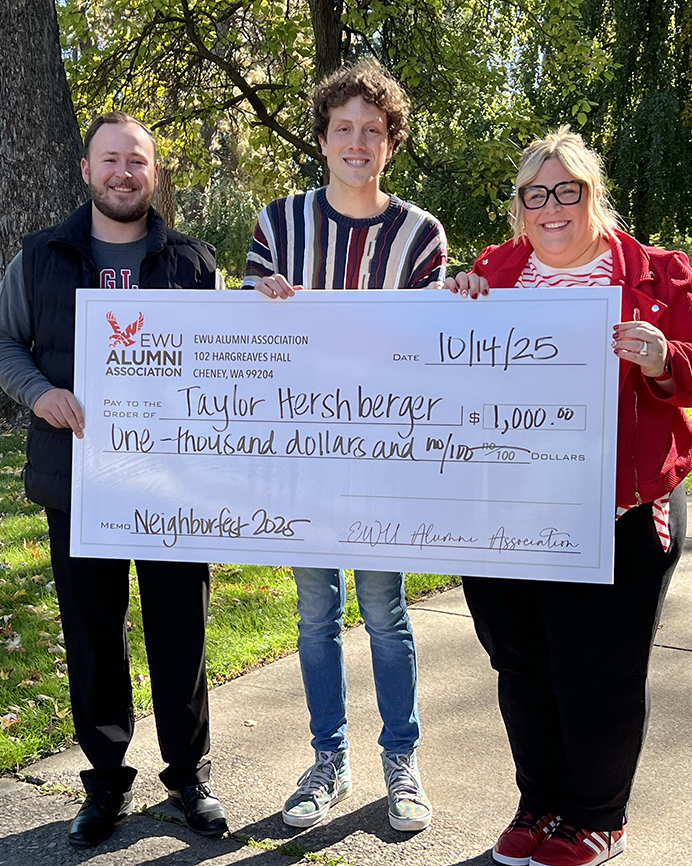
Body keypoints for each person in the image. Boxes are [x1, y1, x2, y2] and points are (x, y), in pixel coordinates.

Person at [446, 126, 692, 866]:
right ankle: (539, 803)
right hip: (509, 515)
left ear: (590, 195)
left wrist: (665, 354)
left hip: (619, 511)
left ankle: (597, 815)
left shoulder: (655, 272)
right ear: (519, 205)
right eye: (535, 193)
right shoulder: (494, 269)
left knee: (598, 670)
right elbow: (453, 371)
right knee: (521, 662)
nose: (551, 207)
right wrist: (458, 305)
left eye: (566, 191)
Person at [0, 111, 229, 847]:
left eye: (138, 161)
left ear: (155, 174)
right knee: (93, 633)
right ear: (87, 171)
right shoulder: (42, 256)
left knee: (179, 630)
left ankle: (188, 776)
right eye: (111, 159)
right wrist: (38, 392)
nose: (125, 172)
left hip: (171, 484)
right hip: (78, 481)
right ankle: (107, 783)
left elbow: (234, 354)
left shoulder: (193, 262)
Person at [243, 58, 447, 831]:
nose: (356, 141)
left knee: (384, 608)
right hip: (302, 458)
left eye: (372, 129)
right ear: (323, 139)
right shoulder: (278, 223)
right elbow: (247, 339)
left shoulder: (420, 234)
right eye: (343, 129)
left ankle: (403, 758)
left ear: (390, 141)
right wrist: (250, 297)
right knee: (314, 612)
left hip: (382, 458)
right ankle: (328, 759)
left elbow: (432, 347)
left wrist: (458, 301)